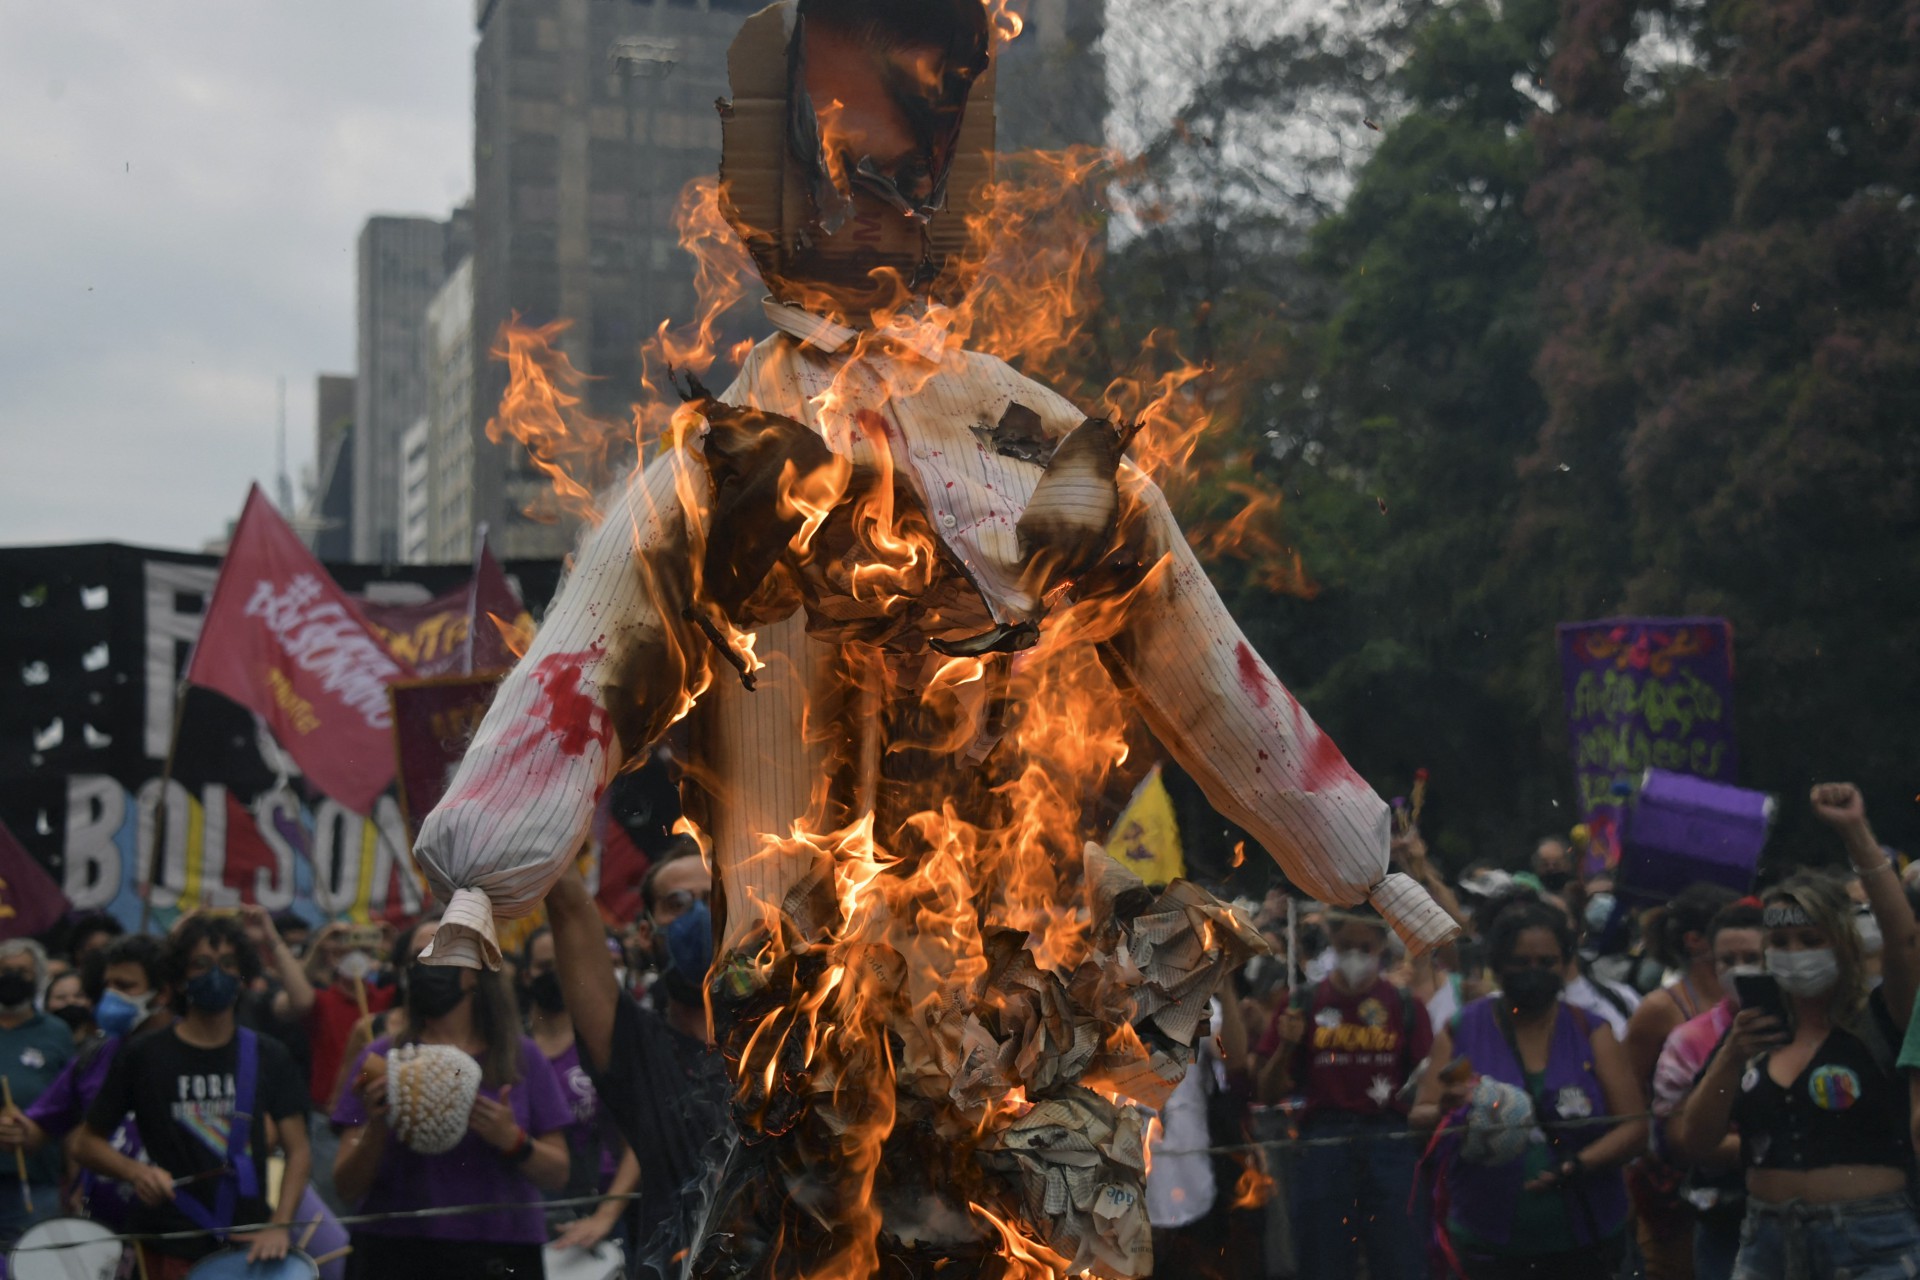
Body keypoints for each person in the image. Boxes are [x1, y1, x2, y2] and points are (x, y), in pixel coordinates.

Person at [1678, 784, 1920, 1280]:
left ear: (1845, 944)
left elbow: (1904, 940)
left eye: (1811, 940)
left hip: (1869, 1239)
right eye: (1781, 941)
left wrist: (1855, 832)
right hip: (1766, 1241)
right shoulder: (1756, 1029)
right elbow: (1697, 1141)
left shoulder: (1881, 1017)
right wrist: (1730, 1056)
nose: (1795, 952)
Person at [1412, 899, 1647, 1278]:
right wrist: (1449, 1111)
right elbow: (1420, 1115)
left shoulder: (1592, 1030)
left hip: (1586, 1236)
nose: (1534, 973)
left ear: (1565, 963)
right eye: (1521, 963)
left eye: (1547, 963)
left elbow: (1635, 1126)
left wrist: (1579, 1166)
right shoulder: (1464, 1028)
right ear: (1500, 965)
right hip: (1486, 1241)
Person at [332, 918, 571, 1280]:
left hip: (499, 1250)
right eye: (417, 958)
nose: (426, 966)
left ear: (474, 972)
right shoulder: (378, 1059)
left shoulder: (522, 1057)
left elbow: (559, 1174)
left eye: (441, 955)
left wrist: (513, 1142)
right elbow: (346, 1186)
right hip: (393, 1250)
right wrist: (377, 1124)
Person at [75, 914, 312, 1278]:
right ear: (180, 976)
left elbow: (298, 1150)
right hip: (166, 1240)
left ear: (243, 973)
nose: (216, 973)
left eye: (229, 963)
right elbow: (87, 1143)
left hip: (248, 1245)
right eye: (201, 964)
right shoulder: (144, 1055)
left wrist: (280, 1224)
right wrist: (135, 1171)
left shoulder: (269, 1054)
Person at [545, 868, 732, 1280]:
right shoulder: (635, 1046)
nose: (699, 915)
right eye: (677, 903)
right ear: (646, 933)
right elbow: (569, 905)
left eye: (713, 898)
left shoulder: (782, 1044)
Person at [1259, 907, 1430, 1280]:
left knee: (1402, 1257)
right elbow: (1267, 1093)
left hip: (1390, 1142)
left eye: (1365, 947)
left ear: (1383, 945)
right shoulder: (1300, 1003)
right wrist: (1287, 1046)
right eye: (1347, 945)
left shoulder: (1405, 1005)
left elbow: (1425, 1084)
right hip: (1323, 1143)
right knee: (1323, 1260)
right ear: (1333, 943)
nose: (1356, 954)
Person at [0, 933, 169, 1234]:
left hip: (173, 1231)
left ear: (162, 993)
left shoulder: (188, 1050)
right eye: (108, 985)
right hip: (101, 1233)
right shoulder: (96, 1056)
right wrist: (18, 1130)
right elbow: (42, 1127)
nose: (112, 996)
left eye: (125, 987)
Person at [1619, 882, 1739, 1280]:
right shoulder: (1660, 1009)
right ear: (1696, 941)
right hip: (1674, 1193)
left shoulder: (1755, 1003)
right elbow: (1630, 1102)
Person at [1649, 899, 1765, 1280]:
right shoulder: (1689, 1040)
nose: (1739, 970)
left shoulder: (1810, 1027)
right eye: (1727, 960)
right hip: (1726, 1222)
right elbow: (1682, 1141)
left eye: (1753, 956)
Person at [519, 927, 643, 1256]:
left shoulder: (603, 1044)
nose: (556, 976)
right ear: (527, 975)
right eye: (546, 967)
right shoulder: (510, 1050)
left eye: (564, 966)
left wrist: (605, 1215)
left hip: (599, 1216)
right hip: (527, 1218)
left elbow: (637, 1140)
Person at [0, 939, 72, 1244]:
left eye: (23, 972)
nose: (14, 977)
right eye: (5, 970)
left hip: (37, 1184)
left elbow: (73, 1108)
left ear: (40, 979)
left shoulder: (56, 1033)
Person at [44, 969, 94, 1046]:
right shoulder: (39, 1044)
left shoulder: (105, 1046)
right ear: (47, 1004)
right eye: (60, 997)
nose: (71, 1002)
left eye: (79, 996)